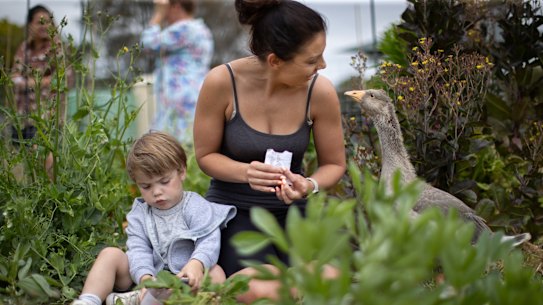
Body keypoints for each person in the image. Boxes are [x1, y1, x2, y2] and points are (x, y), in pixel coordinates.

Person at [193, 0, 346, 302]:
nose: (322, 66)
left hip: (295, 213)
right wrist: (245, 172)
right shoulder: (221, 83)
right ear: (275, 60)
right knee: (261, 285)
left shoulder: (320, 92)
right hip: (235, 212)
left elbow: (334, 164)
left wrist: (309, 185)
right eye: (312, 60)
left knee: (330, 277)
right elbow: (205, 156)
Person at [71, 131, 236, 305]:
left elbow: (209, 240)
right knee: (110, 254)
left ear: (181, 172)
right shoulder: (140, 213)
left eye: (164, 181)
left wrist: (197, 263)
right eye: (146, 186)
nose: (157, 192)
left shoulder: (195, 206)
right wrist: (145, 278)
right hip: (147, 277)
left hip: (186, 277)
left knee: (216, 273)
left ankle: (144, 300)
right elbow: (138, 249)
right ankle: (89, 300)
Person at [10, 4, 73, 178]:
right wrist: (40, 80)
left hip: (48, 116)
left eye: (49, 21)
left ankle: (51, 199)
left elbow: (64, 79)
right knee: (25, 163)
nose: (45, 25)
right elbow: (13, 78)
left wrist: (30, 81)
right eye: (40, 22)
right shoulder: (24, 49)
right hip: (23, 116)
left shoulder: (56, 47)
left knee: (46, 156)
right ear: (30, 25)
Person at [140, 0, 214, 143]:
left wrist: (158, 15)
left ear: (176, 6)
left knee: (170, 144)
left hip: (179, 98)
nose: (165, 15)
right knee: (190, 141)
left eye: (166, 8)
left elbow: (147, 44)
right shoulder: (201, 28)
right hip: (195, 94)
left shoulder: (183, 28)